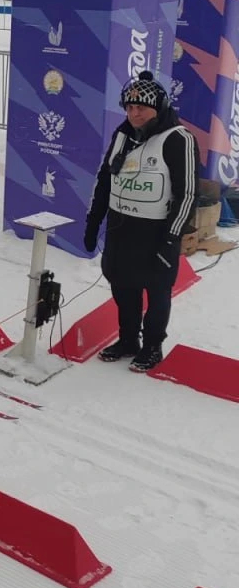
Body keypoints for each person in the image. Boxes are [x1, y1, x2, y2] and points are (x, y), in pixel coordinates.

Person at [84, 70, 199, 372]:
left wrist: (172, 238)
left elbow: (188, 193)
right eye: (130, 107)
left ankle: (152, 346)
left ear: (158, 108)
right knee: (123, 287)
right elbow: (105, 179)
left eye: (142, 108)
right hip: (121, 228)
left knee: (157, 292)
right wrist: (93, 222)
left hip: (156, 232)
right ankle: (128, 340)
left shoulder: (178, 139)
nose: (134, 114)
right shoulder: (123, 134)